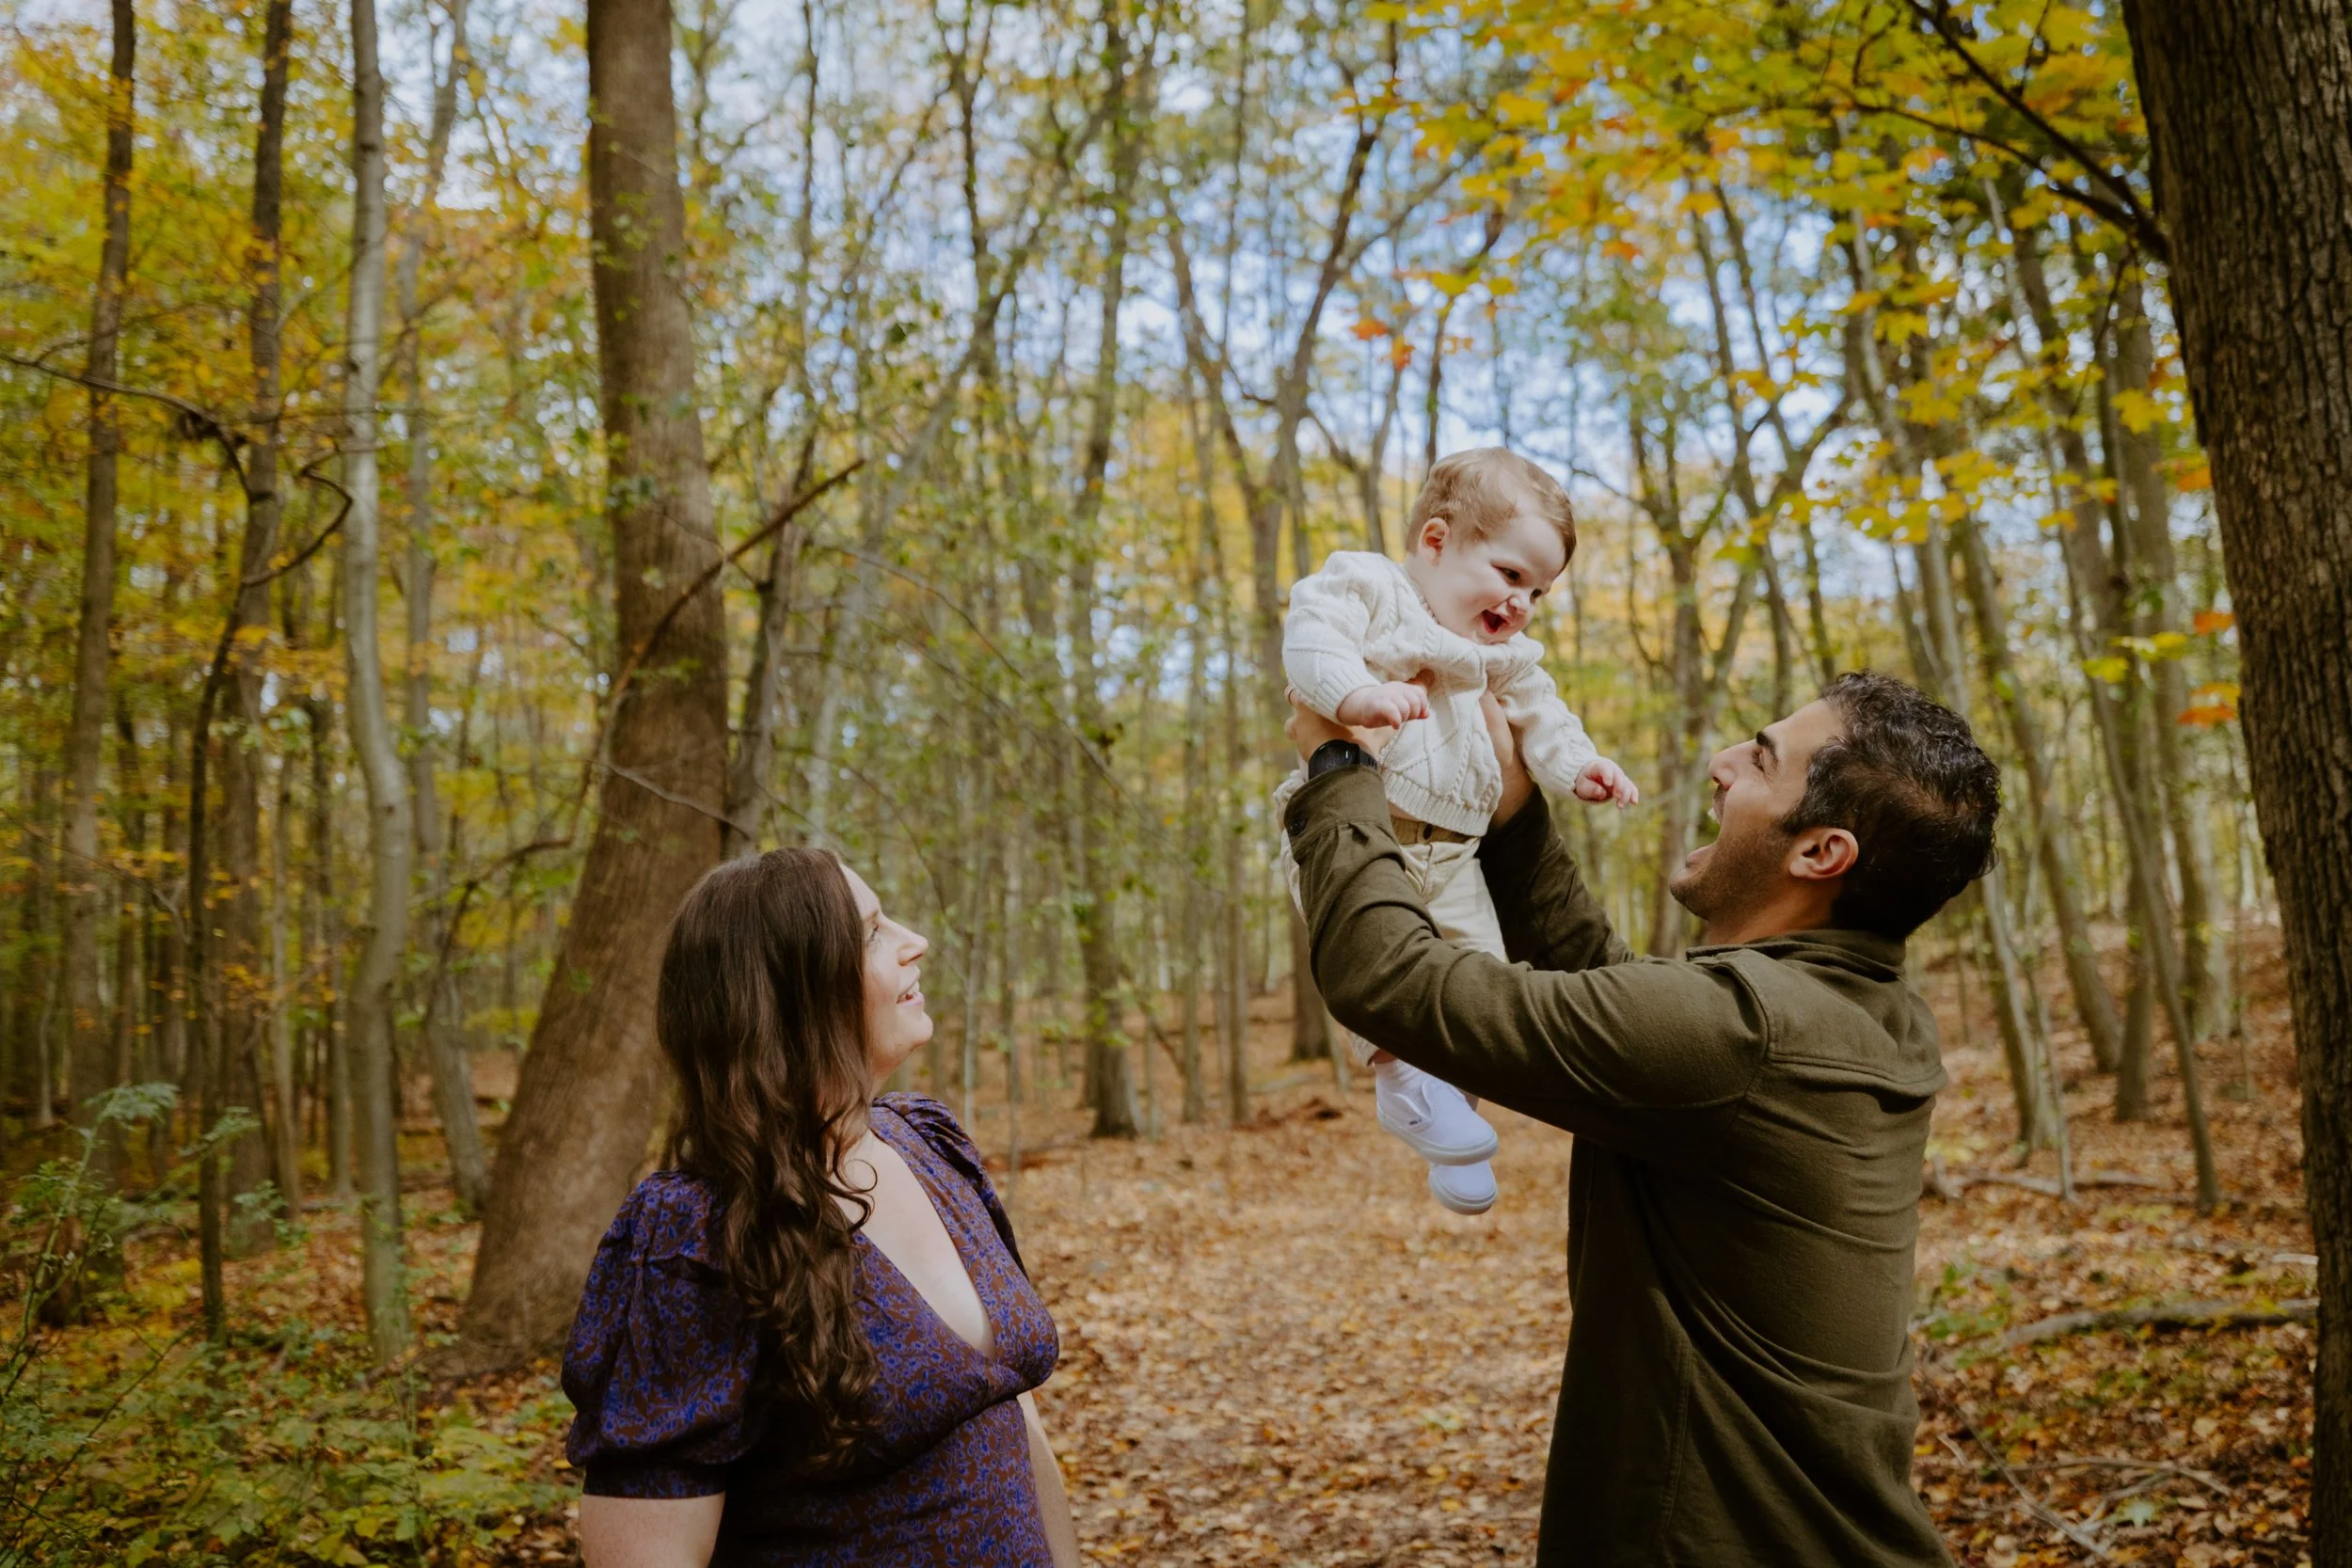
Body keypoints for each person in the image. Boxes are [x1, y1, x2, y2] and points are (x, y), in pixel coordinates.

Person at [1285, 672, 1994, 1565]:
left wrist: (1339, 765)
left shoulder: (1744, 1035)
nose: (1720, 763)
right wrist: (1511, 810)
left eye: (1760, 761)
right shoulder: (1866, 1007)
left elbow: (1387, 976)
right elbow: (1623, 1001)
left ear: (1821, 853)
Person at [562, 847, 1081, 1568]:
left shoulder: (931, 1143)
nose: (914, 941)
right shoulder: (697, 1236)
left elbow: (1011, 1405)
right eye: (871, 931)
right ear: (787, 990)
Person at [1277, 447, 1637, 1214]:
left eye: (1539, 589)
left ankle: (1452, 1130)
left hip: (1456, 849)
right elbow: (1312, 635)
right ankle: (1398, 1079)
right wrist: (1357, 692)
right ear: (1436, 540)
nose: (1524, 602)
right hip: (1366, 830)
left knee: (1480, 988)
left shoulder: (1498, 655)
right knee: (1375, 974)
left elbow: (1545, 715)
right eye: (1510, 575)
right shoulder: (1372, 585)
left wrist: (1580, 766)